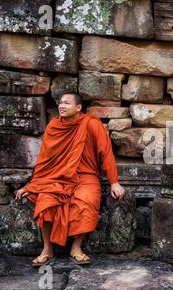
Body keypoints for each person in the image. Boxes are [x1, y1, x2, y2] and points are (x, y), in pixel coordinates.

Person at [15, 92, 125, 266]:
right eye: (60, 103)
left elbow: (106, 153)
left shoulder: (91, 124)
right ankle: (47, 248)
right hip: (57, 176)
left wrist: (114, 181)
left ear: (78, 107)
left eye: (67, 103)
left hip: (85, 176)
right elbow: (44, 159)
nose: (62, 106)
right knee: (45, 200)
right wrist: (33, 185)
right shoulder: (53, 126)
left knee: (86, 201)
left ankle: (76, 247)